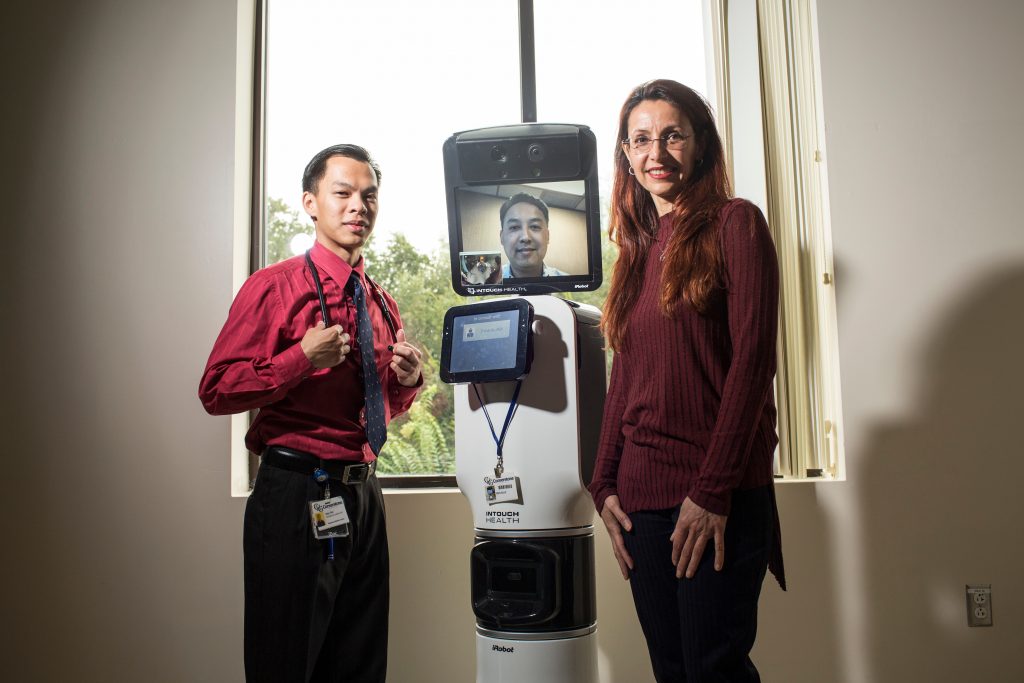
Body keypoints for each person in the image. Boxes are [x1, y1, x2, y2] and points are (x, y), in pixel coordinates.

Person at [198, 144, 423, 683]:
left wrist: (406, 384)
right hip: (298, 493)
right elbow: (217, 390)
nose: (357, 207)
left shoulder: (381, 301)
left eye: (369, 197)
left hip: (363, 495)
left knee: (360, 665)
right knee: (286, 665)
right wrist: (301, 358)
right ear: (310, 203)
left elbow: (376, 407)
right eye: (342, 194)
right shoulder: (274, 288)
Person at [589, 79, 785, 682]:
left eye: (673, 134)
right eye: (641, 139)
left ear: (700, 143)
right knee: (673, 671)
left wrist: (712, 492)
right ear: (626, 153)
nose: (657, 153)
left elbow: (753, 365)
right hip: (642, 501)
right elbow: (628, 374)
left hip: (713, 496)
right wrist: (603, 482)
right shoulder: (638, 252)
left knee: (712, 670)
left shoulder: (736, 225)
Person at [498, 192, 568, 278]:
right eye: (514, 227)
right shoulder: (487, 285)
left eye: (535, 226)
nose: (525, 237)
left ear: (548, 236)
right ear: (502, 238)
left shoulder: (571, 285)